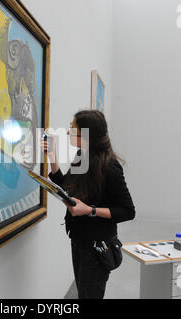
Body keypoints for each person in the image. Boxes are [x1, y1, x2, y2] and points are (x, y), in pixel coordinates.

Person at [40, 109, 136, 299]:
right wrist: (51, 156)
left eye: (72, 128)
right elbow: (66, 188)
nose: (68, 132)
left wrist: (89, 210)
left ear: (86, 133)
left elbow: (128, 211)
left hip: (97, 247)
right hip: (79, 240)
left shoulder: (109, 166)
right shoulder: (81, 157)